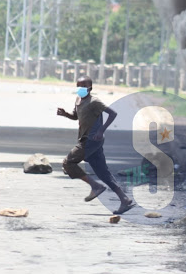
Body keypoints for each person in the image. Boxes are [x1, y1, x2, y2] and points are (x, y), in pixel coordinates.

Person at [57, 75, 135, 215]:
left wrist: (101, 130)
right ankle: (125, 199)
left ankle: (95, 186)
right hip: (86, 139)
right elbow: (76, 116)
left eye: (83, 86)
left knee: (68, 163)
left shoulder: (95, 101)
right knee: (102, 172)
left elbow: (112, 114)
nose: (80, 89)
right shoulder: (78, 99)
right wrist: (65, 114)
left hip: (91, 140)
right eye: (78, 86)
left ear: (90, 88)